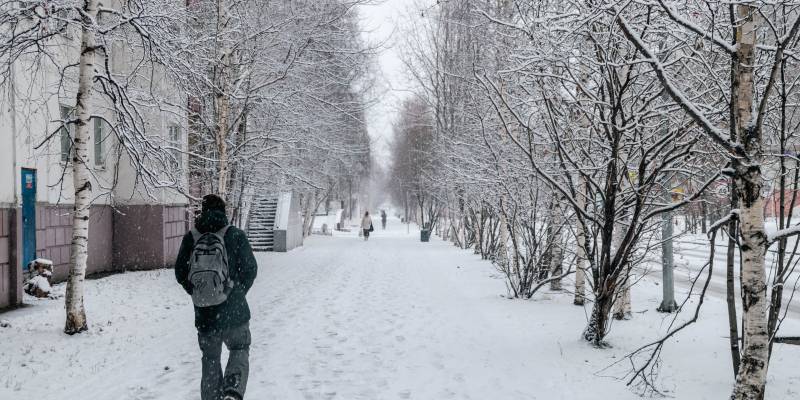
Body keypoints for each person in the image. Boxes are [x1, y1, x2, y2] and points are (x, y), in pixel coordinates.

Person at [175, 194, 258, 400]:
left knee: (210, 359)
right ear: (223, 211)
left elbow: (180, 272)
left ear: (202, 212)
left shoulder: (191, 237)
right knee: (239, 348)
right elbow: (251, 268)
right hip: (235, 313)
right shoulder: (235, 235)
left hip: (205, 315)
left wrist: (199, 293)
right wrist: (235, 293)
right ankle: (232, 391)